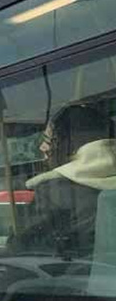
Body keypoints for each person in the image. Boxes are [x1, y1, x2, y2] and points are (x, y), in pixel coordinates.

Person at [10, 104, 116, 257]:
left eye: (48, 140)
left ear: (68, 144)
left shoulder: (54, 191)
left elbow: (31, 252)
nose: (43, 148)